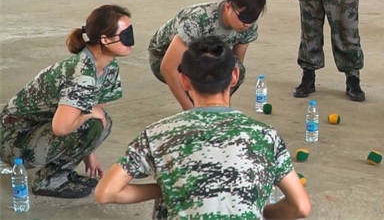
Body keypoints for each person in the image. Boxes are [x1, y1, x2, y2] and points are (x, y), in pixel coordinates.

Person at [95, 36, 311, 219]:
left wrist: (168, 188)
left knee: (167, 200)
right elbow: (301, 207)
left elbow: (106, 192)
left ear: (184, 81)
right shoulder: (265, 135)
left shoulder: (157, 134)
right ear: (234, 76)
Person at [0, 5, 133, 199]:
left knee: (99, 121)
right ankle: (50, 181)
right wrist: (89, 114)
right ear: (105, 39)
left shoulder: (108, 67)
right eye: (126, 33)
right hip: (13, 139)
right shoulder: (82, 74)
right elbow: (61, 128)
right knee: (93, 120)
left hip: (36, 129)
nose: (131, 39)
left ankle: (60, 173)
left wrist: (88, 152)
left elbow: (95, 107)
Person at [148, 0, 266, 110]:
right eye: (243, 18)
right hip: (163, 56)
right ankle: (198, 108)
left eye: (253, 19)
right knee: (201, 79)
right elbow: (167, 67)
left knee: (237, 71)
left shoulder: (249, 24)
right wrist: (191, 110)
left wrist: (223, 104)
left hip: (205, 53)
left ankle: (216, 107)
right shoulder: (198, 20)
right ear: (227, 7)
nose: (247, 24)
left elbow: (235, 62)